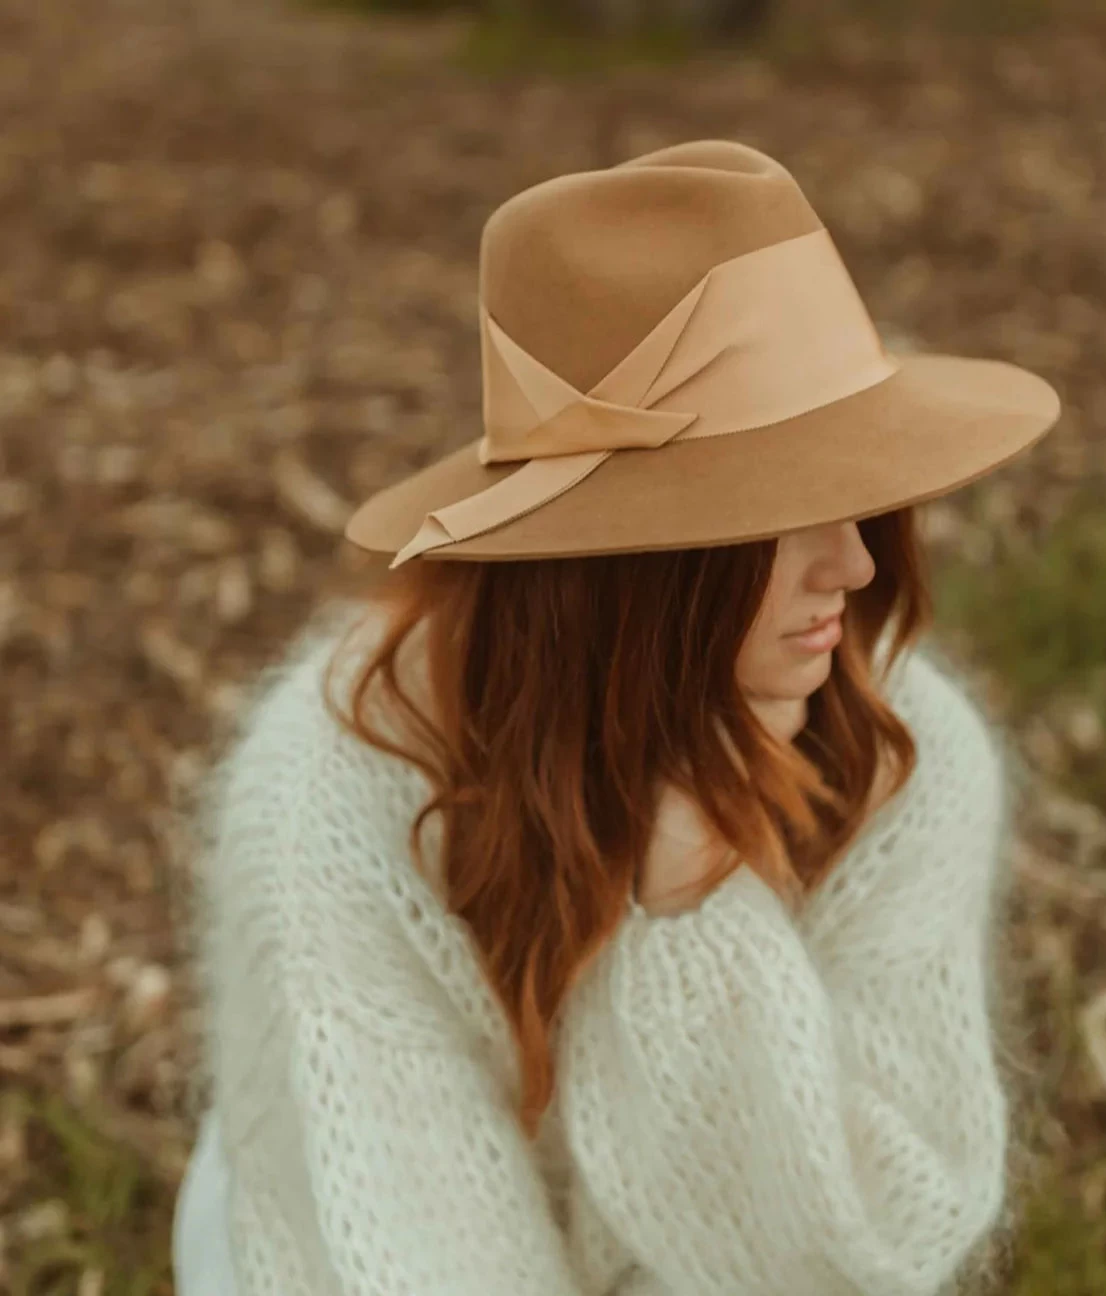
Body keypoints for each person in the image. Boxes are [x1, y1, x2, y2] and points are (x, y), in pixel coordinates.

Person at [172, 138, 1061, 1296]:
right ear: (630, 571)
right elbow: (404, 1240)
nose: (852, 565)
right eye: (785, 513)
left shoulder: (908, 751)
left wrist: (691, 903)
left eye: (861, 496)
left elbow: (869, 1248)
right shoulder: (336, 782)